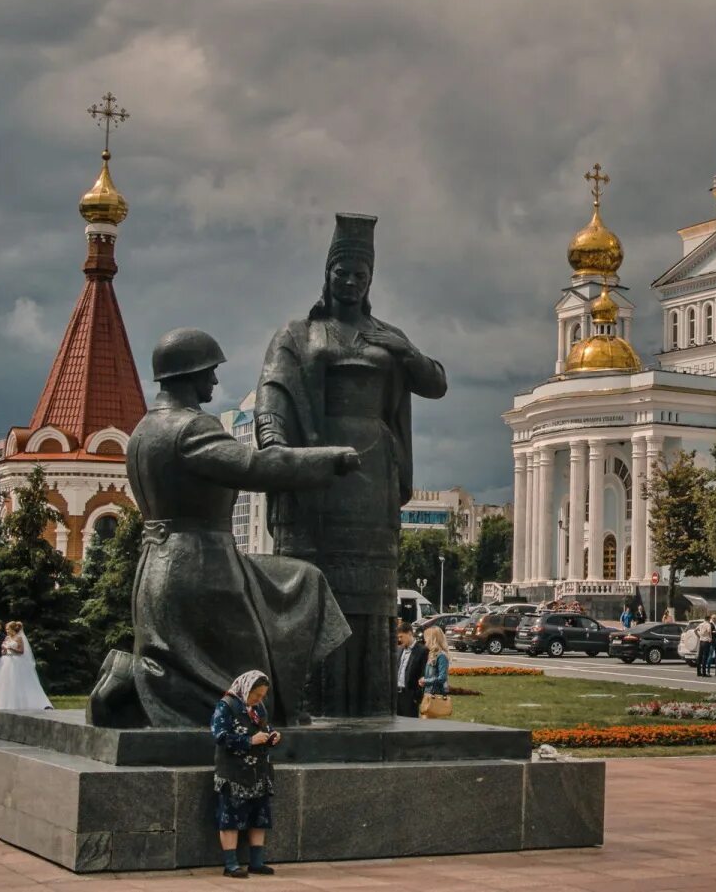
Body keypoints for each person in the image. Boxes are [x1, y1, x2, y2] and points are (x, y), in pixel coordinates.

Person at [86, 328, 358, 729]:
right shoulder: (191, 428)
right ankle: (132, 683)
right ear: (190, 373)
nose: (214, 380)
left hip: (161, 564)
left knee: (301, 582)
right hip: (201, 567)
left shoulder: (144, 429)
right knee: (238, 674)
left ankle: (279, 700)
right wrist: (330, 460)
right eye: (209, 371)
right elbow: (255, 466)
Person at [256, 213, 448, 719]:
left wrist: (405, 351)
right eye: (341, 272)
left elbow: (435, 383)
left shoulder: (388, 335)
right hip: (318, 473)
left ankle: (368, 703)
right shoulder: (299, 332)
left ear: (369, 281)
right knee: (312, 586)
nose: (349, 281)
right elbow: (273, 394)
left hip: (374, 474)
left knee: (369, 591)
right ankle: (308, 701)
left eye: (359, 274)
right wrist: (277, 448)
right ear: (328, 273)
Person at [212, 671, 281, 878]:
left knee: (259, 817)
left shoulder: (257, 708)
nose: (259, 699)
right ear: (246, 689)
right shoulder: (226, 705)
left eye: (262, 696)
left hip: (258, 772)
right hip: (233, 773)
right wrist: (249, 741)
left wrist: (272, 736)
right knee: (230, 818)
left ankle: (256, 862)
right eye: (256, 695)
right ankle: (231, 864)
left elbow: (264, 728)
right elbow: (220, 736)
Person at [0, 621, 52, 713]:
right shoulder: (6, 638)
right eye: (6, 629)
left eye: (8, 629)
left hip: (16, 661)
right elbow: (3, 651)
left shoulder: (19, 638)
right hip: (5, 660)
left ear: (13, 629)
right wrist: (4, 651)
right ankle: (0, 704)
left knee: (15, 682)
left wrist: (10, 648)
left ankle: (19, 703)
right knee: (2, 683)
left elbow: (21, 651)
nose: (6, 631)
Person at [394, 624, 426, 718]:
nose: (399, 640)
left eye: (401, 636)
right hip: (396, 695)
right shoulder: (399, 649)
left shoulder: (422, 651)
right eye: (398, 637)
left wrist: (417, 696)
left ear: (409, 633)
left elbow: (423, 674)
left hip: (410, 696)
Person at [421, 626, 449, 708]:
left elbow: (442, 678)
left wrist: (425, 681)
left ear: (432, 639)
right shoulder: (431, 654)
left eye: (426, 638)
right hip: (428, 693)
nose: (425, 641)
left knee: (430, 719)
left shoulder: (441, 656)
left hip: (436, 694)